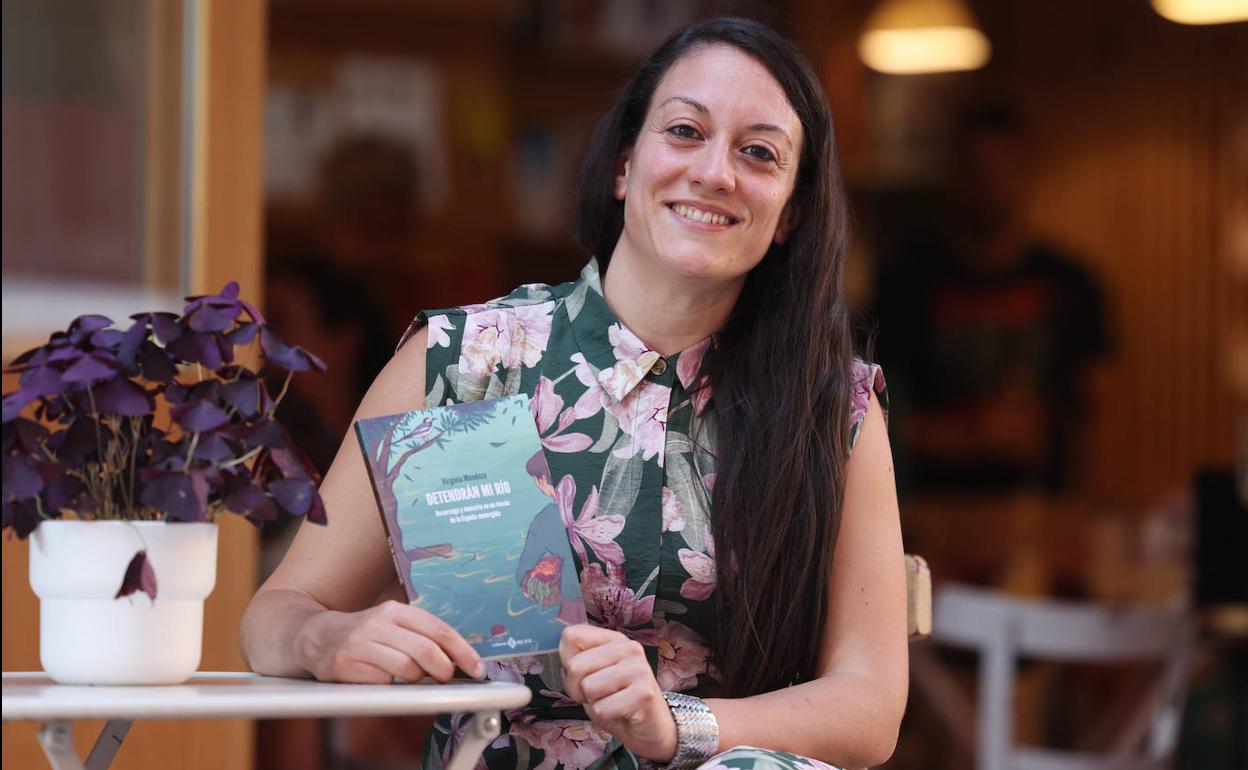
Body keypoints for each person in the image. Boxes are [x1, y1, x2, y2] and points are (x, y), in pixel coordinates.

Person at [241, 17, 907, 770]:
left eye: (759, 153)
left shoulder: (834, 407)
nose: (716, 172)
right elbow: (275, 613)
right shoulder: (464, 363)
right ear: (625, 166)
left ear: (790, 212)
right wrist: (325, 637)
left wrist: (680, 725)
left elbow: (870, 705)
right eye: (686, 131)